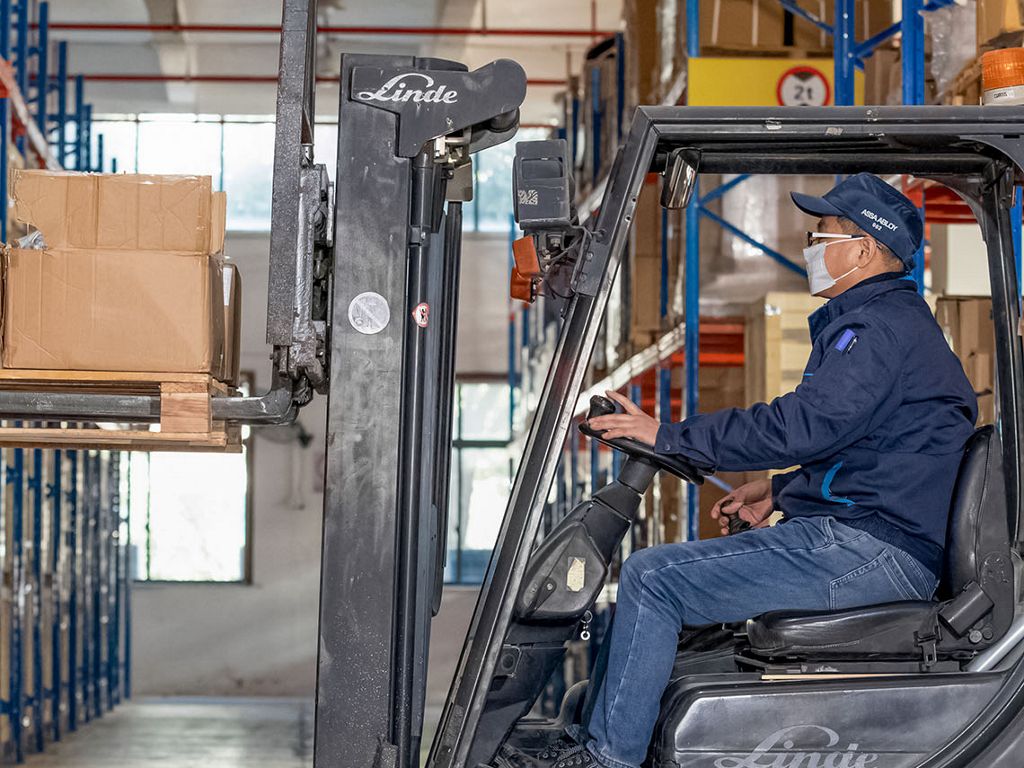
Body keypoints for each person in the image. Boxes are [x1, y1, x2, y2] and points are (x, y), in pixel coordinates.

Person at [523, 173, 978, 768]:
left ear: (865, 249)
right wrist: (781, 490)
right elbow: (873, 448)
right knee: (660, 583)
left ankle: (607, 758)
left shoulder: (877, 330)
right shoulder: (882, 323)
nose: (811, 247)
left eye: (822, 235)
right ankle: (595, 735)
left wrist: (668, 436)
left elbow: (802, 426)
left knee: (653, 578)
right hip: (870, 539)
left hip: (871, 551)